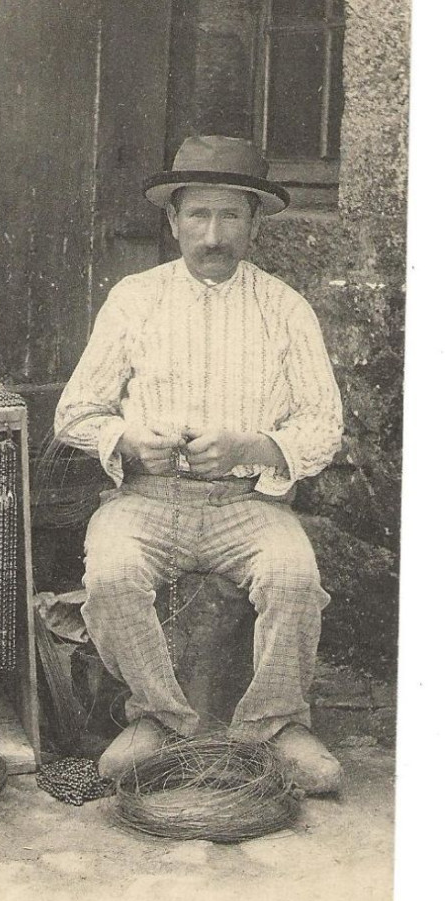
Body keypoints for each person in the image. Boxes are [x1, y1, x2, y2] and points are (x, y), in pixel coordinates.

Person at [54, 135, 345, 793]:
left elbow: (323, 426)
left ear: (254, 221)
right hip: (147, 500)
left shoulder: (286, 310)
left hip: (246, 503)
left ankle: (274, 725)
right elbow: (74, 414)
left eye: (230, 216)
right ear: (172, 219)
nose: (213, 235)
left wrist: (254, 448)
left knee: (293, 574)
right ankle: (161, 719)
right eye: (198, 216)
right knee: (112, 574)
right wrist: (130, 440)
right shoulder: (135, 299)